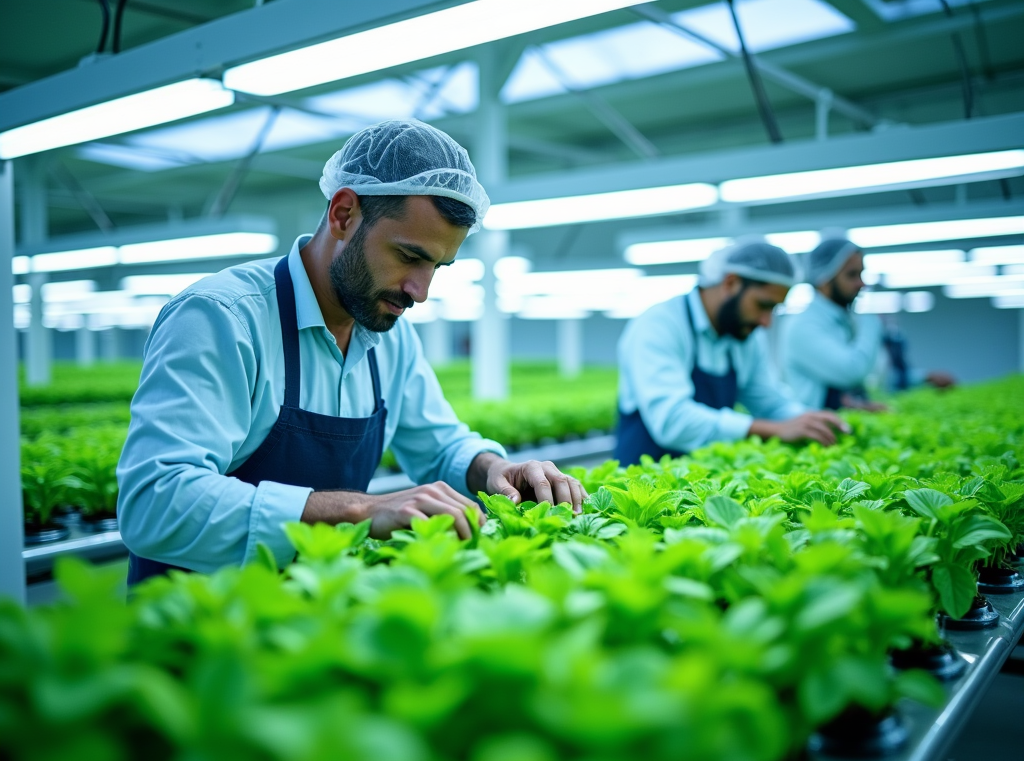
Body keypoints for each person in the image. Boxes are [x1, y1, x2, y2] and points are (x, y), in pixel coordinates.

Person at [117, 119, 585, 585]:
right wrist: (360, 509)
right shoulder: (221, 319)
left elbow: (439, 444)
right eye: (408, 256)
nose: (419, 292)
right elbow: (154, 502)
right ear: (343, 214)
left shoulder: (390, 335)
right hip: (192, 627)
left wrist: (496, 470)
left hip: (316, 616)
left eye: (438, 267)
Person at [614, 240, 850, 466]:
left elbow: (769, 401)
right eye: (763, 305)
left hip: (700, 485)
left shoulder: (744, 334)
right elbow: (673, 421)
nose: (767, 322)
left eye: (774, 310)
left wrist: (807, 420)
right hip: (644, 488)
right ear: (731, 283)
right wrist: (772, 429)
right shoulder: (661, 324)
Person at [779, 238, 954, 412]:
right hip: (818, 434)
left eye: (861, 274)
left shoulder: (844, 321)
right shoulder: (804, 325)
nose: (861, 284)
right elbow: (850, 372)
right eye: (851, 275)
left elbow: (878, 377)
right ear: (824, 278)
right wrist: (871, 323)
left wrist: (923, 379)